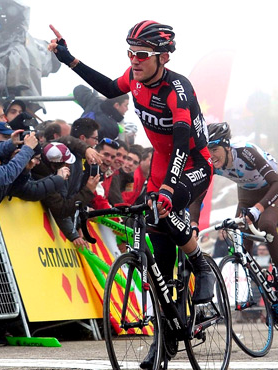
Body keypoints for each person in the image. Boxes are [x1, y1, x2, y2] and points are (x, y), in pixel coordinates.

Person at [48, 20, 215, 336]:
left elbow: (181, 143)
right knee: (160, 256)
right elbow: (109, 88)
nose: (134, 60)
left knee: (162, 208)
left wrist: (167, 188)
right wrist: (69, 59)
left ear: (163, 57)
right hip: (163, 166)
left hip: (193, 163)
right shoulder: (135, 80)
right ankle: (166, 336)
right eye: (130, 53)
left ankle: (200, 263)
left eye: (142, 54)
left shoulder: (178, 89)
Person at [190, 122, 278, 305]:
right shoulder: (210, 163)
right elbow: (198, 197)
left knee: (266, 225)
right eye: (208, 150)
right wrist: (193, 225)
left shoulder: (246, 153)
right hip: (246, 194)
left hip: (271, 191)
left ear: (226, 146)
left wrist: (257, 210)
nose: (211, 155)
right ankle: (251, 288)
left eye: (214, 149)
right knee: (241, 240)